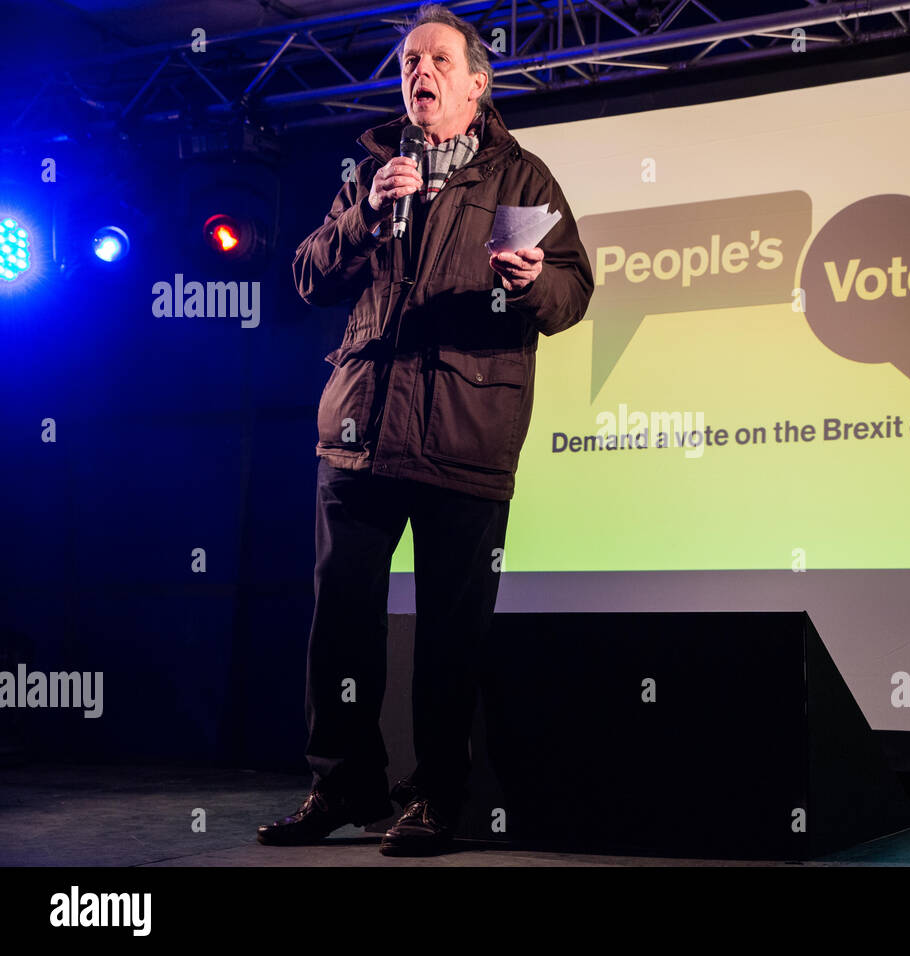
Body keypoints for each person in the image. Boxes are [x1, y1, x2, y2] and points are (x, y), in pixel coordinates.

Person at [257, 2, 593, 856]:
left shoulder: (524, 179)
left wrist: (525, 281)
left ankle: (438, 796)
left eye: (439, 59)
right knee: (341, 620)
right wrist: (364, 214)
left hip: (464, 435)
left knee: (450, 630)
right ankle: (341, 785)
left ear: (478, 85)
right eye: (409, 60)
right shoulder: (372, 170)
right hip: (363, 434)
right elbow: (305, 278)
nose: (420, 72)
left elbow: (572, 295)